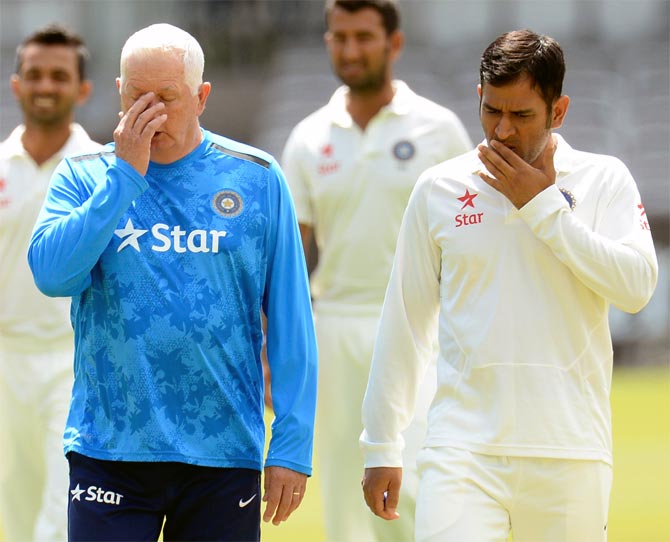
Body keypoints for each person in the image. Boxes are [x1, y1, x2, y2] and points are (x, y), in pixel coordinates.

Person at [360, 28, 659, 542]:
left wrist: (543, 207)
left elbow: (636, 289)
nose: (501, 131)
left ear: (558, 111)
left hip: (571, 449)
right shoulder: (439, 188)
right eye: (492, 110)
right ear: (478, 97)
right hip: (461, 449)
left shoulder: (604, 179)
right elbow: (405, 322)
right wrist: (383, 444)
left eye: (521, 116)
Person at [27, 23, 317, 542]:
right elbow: (51, 275)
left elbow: (292, 318)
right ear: (119, 91)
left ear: (202, 97)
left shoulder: (256, 176)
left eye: (168, 97)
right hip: (109, 449)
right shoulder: (82, 176)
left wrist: (292, 443)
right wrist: (124, 177)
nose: (152, 112)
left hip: (223, 449)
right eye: (139, 96)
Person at [280, 1, 472, 540]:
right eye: (339, 37)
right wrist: (276, 346)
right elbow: (291, 259)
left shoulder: (438, 129)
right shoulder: (308, 138)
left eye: (364, 36)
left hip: (420, 326)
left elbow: (469, 235)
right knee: (346, 495)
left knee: (413, 485)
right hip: (336, 325)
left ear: (394, 43)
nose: (350, 49)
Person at [0, 23, 102, 542]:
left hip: (74, 360)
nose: (46, 86)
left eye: (59, 76)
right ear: (15, 83)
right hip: (4, 358)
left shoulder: (102, 172)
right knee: (13, 510)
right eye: (35, 74)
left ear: (82, 89)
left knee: (59, 515)